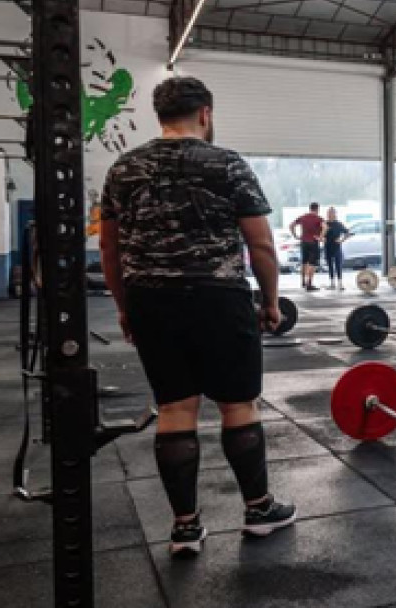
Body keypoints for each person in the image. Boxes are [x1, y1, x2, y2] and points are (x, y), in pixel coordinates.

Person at [98, 76, 295, 558]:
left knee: (175, 409)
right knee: (238, 406)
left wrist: (126, 307)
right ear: (205, 114)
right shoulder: (227, 164)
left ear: (159, 116)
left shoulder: (124, 167)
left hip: (151, 300)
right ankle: (258, 509)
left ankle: (185, 527)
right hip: (219, 298)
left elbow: (109, 245)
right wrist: (270, 302)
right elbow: (261, 244)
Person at [289, 202, 324, 291]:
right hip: (313, 242)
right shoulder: (318, 218)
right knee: (312, 263)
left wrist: (295, 235)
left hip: (303, 242)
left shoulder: (303, 217)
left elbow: (291, 225)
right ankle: (309, 284)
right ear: (317, 209)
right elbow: (325, 227)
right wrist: (320, 237)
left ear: (310, 208)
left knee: (304, 262)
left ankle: (303, 282)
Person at [323, 207, 350, 290]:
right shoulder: (324, 224)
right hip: (327, 246)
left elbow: (347, 233)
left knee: (338, 265)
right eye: (328, 213)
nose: (330, 215)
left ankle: (340, 283)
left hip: (337, 247)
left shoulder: (338, 224)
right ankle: (332, 283)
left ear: (335, 214)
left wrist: (341, 240)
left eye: (331, 213)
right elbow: (321, 234)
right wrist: (322, 238)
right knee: (330, 265)